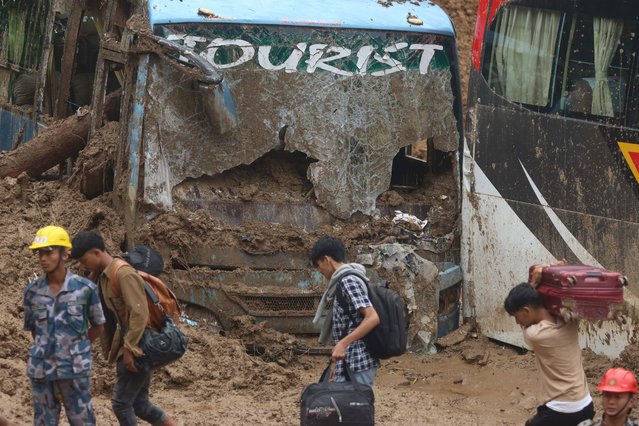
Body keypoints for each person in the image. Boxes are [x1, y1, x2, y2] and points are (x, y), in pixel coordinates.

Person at [69, 231, 177, 426]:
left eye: (84, 261)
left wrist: (129, 349)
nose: (82, 266)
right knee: (140, 405)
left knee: (121, 404)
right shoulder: (105, 274)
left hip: (136, 345)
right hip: (134, 344)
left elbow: (139, 314)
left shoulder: (123, 274)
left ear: (96, 252)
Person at [23, 226, 105, 425]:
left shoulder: (85, 289)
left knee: (83, 421)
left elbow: (98, 326)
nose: (43, 258)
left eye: (49, 252)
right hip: (42, 372)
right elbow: (34, 330)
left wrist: (76, 348)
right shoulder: (32, 292)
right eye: (40, 253)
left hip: (74, 371)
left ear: (65, 254)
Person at [504, 282, 594, 425]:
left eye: (517, 316)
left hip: (561, 409)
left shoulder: (534, 334)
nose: (517, 322)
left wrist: (534, 282)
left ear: (526, 311)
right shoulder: (570, 319)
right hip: (586, 404)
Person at [310, 236, 380, 386]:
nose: (319, 270)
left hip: (358, 360)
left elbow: (372, 317)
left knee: (357, 406)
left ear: (326, 260)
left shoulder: (348, 281)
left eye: (318, 264)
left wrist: (342, 344)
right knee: (345, 405)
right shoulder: (344, 280)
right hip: (350, 360)